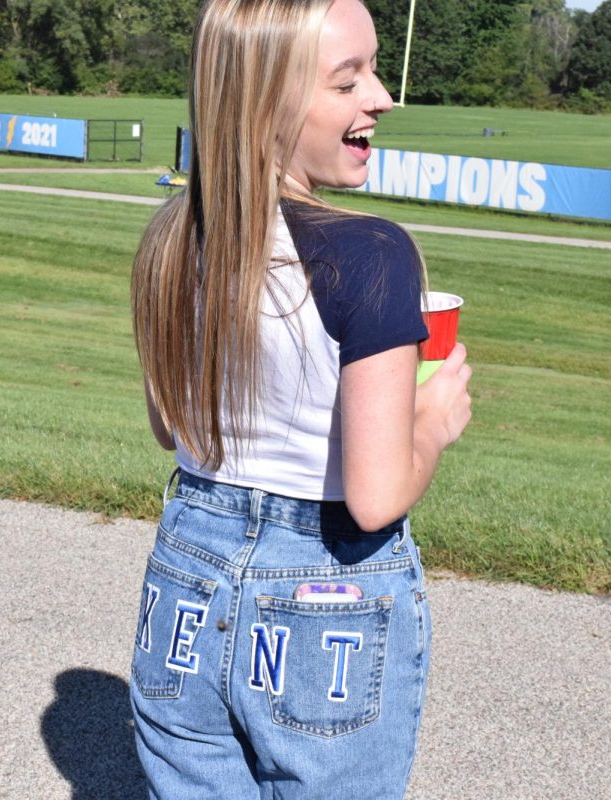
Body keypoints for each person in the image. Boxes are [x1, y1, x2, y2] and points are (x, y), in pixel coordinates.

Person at [128, 0, 471, 796]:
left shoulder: (169, 240)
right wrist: (432, 421)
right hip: (322, 595)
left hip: (183, 580)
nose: (382, 96)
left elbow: (167, 425)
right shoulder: (373, 255)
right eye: (349, 80)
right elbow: (376, 497)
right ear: (267, 105)